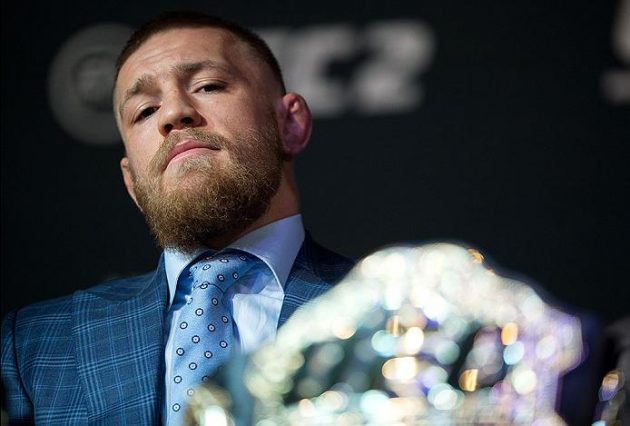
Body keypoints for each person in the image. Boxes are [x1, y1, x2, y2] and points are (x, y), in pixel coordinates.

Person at [1, 11, 353, 424]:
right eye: (145, 111)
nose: (174, 114)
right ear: (133, 182)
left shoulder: (389, 316)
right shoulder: (34, 345)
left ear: (289, 123)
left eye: (208, 86)